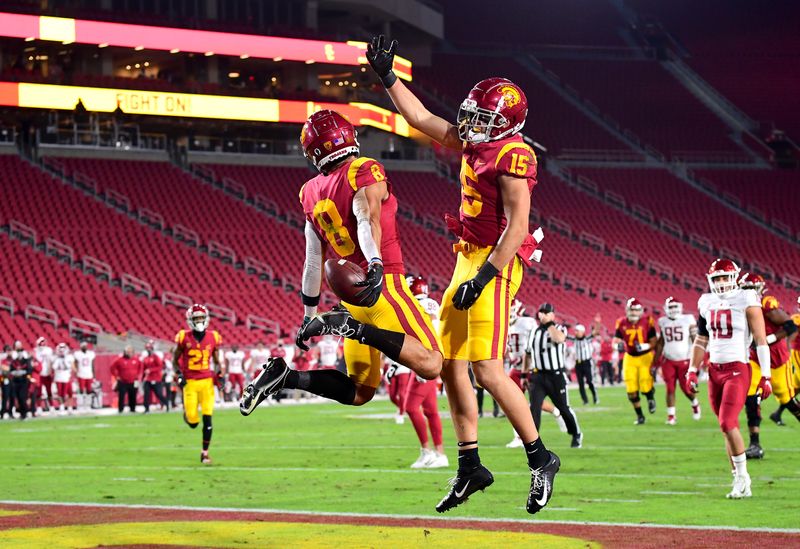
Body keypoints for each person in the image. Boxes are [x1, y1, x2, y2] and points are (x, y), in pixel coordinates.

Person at [366, 34, 558, 515]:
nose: (472, 124)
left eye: (483, 118)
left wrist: (486, 277)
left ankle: (541, 457)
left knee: (487, 370)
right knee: (449, 361)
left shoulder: (516, 154)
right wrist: (389, 77)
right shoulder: (476, 141)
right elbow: (421, 118)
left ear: (507, 124)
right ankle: (470, 463)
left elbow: (517, 228)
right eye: (472, 114)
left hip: (497, 261)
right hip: (466, 256)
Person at [241, 109, 442, 416]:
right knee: (431, 363)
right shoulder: (362, 168)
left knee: (360, 391)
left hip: (349, 300)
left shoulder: (309, 191)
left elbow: (312, 258)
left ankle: (287, 376)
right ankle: (352, 329)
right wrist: (375, 262)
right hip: (382, 286)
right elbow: (365, 218)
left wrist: (309, 314)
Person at [687, 259, 771, 498]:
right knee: (727, 428)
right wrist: (692, 369)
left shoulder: (747, 299)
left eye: (725, 277)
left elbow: (760, 339)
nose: (721, 283)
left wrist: (766, 375)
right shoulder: (706, 301)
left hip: (738, 368)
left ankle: (744, 477)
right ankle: (737, 478)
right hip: (714, 370)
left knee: (727, 422)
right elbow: (702, 339)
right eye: (717, 279)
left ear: (734, 277)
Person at [737, 273, 799, 459]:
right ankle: (755, 444)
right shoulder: (738, 306)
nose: (747, 292)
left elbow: (790, 327)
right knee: (750, 397)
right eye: (745, 288)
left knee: (787, 400)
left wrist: (768, 339)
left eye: (750, 288)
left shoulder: (767, 304)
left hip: (778, 361)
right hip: (756, 359)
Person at [505, 300, 566, 448]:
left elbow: (537, 342)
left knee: (533, 403)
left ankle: (556, 412)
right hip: (515, 368)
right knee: (511, 403)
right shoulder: (505, 324)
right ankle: (518, 436)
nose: (510, 313)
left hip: (530, 368)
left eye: (512, 310)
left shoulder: (528, 323)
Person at [403, 276, 447, 469]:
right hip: (436, 356)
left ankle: (427, 451)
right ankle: (440, 454)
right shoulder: (433, 304)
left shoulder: (413, 305)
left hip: (424, 360)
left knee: (411, 408)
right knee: (431, 411)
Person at [524, 303, 582, 448]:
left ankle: (576, 433)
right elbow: (528, 353)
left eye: (547, 312)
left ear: (552, 315)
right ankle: (533, 442)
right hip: (537, 376)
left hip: (556, 376)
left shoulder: (559, 328)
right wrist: (524, 374)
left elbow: (559, 339)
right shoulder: (534, 331)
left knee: (563, 408)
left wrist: (549, 324)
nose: (543, 314)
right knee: (534, 408)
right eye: (541, 312)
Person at [173, 304, 223, 464]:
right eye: (196, 318)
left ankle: (204, 453)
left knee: (208, 419)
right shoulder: (183, 337)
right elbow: (175, 360)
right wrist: (179, 375)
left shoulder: (214, 337)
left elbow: (217, 361)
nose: (199, 320)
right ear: (190, 320)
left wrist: (219, 374)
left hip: (207, 382)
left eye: (201, 317)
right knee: (194, 422)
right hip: (190, 383)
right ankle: (187, 416)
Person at [654, 297, 701, 425]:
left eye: (675, 306)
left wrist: (698, 359)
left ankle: (695, 403)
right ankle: (671, 416)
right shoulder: (662, 321)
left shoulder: (688, 319)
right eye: (671, 307)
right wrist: (655, 361)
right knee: (669, 388)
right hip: (668, 360)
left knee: (685, 389)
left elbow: (695, 340)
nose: (673, 309)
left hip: (684, 359)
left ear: (680, 307)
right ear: (665, 308)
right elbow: (661, 342)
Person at [614, 298, 657, 424]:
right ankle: (640, 416)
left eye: (635, 310)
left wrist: (644, 346)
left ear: (640, 311)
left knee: (645, 384)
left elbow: (654, 341)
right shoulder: (621, 322)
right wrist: (617, 346)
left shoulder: (648, 321)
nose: (633, 312)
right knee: (631, 389)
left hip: (645, 356)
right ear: (627, 310)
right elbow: (616, 340)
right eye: (631, 309)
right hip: (630, 357)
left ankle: (650, 397)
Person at [772, 297, 800, 424]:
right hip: (798, 352)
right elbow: (791, 333)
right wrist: (788, 348)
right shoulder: (796, 318)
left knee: (794, 388)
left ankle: (777, 414)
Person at [110, 345, 142, 413]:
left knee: (133, 395)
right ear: (125, 352)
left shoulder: (136, 360)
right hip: (123, 381)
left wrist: (138, 376)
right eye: (128, 352)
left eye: (131, 352)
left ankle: (132, 409)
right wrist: (116, 376)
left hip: (134, 381)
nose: (130, 353)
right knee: (121, 396)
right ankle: (120, 409)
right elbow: (112, 368)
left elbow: (141, 368)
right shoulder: (119, 360)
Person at [572, 324, 598, 405]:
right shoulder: (574, 339)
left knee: (589, 381)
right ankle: (585, 400)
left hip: (586, 362)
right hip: (578, 363)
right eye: (575, 331)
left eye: (577, 331)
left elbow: (595, 333)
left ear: (582, 332)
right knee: (580, 383)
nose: (575, 332)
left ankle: (595, 396)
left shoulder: (587, 339)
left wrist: (597, 324)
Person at [141, 340, 168, 413]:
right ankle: (146, 408)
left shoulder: (156, 357)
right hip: (148, 379)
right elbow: (143, 369)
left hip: (156, 379)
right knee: (146, 394)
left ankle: (167, 404)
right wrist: (142, 378)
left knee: (159, 394)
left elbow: (160, 366)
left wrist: (151, 370)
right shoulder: (146, 358)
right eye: (147, 348)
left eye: (149, 348)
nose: (148, 349)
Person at [8, 341, 32, 420]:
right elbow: (11, 370)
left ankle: (24, 413)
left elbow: (29, 370)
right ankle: (21, 413)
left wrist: (22, 373)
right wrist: (15, 373)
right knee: (18, 398)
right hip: (16, 382)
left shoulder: (26, 361)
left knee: (22, 397)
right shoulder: (14, 362)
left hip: (23, 381)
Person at [52, 342, 76, 413]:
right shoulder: (55, 358)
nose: (62, 351)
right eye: (60, 349)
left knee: (69, 393)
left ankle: (69, 407)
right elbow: (53, 368)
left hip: (67, 377)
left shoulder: (70, 357)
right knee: (60, 394)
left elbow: (73, 368)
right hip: (59, 377)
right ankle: (62, 407)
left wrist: (74, 374)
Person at [74, 340, 96, 411]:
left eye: (85, 346)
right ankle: (80, 405)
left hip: (89, 374)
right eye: (83, 346)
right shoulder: (77, 354)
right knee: (81, 390)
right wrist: (76, 371)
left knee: (89, 390)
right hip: (81, 374)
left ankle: (88, 405)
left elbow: (92, 365)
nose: (84, 347)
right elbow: (75, 363)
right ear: (81, 347)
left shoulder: (91, 354)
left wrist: (93, 374)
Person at [34, 337, 54, 411]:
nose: (42, 344)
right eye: (40, 342)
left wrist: (51, 371)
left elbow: (51, 362)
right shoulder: (35, 351)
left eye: (43, 342)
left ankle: (51, 406)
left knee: (49, 391)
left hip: (47, 373)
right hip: (39, 374)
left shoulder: (49, 350)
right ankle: (39, 407)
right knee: (39, 392)